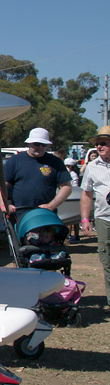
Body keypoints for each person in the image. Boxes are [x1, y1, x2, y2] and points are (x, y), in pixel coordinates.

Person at [0, 128, 72, 217]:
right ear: (29, 143)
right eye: (36, 144)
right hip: (19, 214)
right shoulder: (14, 161)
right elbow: (1, 187)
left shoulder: (56, 162)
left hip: (46, 214)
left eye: (43, 144)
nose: (40, 147)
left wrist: (51, 206)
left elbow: (66, 187)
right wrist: (4, 206)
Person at [80, 125, 110, 314]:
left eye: (103, 143)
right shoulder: (92, 167)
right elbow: (87, 194)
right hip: (103, 218)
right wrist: (85, 219)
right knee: (107, 259)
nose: (99, 146)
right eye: (98, 143)